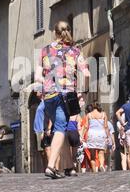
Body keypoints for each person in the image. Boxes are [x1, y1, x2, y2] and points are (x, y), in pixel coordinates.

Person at [35, 21, 90, 179]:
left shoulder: (44, 51)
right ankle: (51, 166)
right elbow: (86, 74)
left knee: (62, 128)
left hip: (49, 96)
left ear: (55, 33)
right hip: (65, 96)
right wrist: (83, 91)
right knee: (60, 128)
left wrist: (46, 82)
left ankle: (68, 167)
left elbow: (38, 76)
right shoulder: (75, 51)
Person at [83, 103, 111, 173]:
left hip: (92, 134)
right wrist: (108, 136)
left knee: (92, 155)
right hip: (101, 133)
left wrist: (82, 135)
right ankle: (101, 165)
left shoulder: (89, 115)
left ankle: (94, 171)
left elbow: (86, 126)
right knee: (101, 152)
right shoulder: (103, 114)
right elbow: (106, 126)